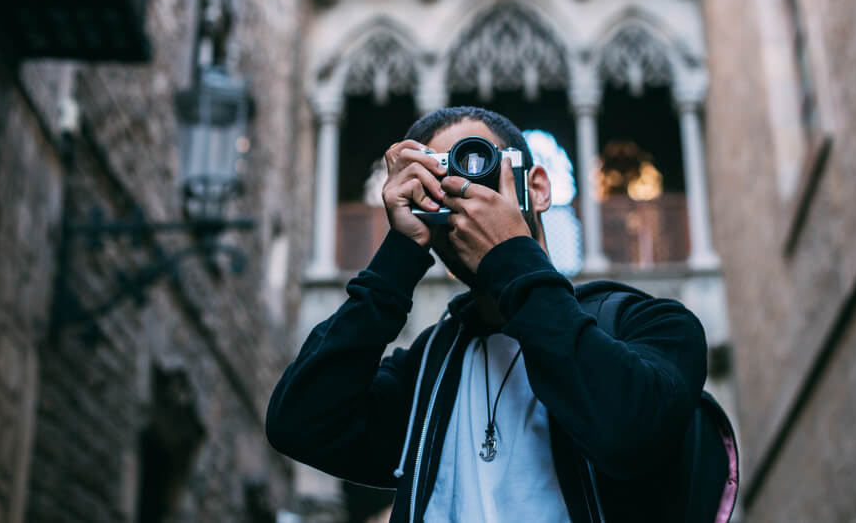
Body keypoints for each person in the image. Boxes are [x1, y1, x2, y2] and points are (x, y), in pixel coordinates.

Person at [266, 106, 710, 522]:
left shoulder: (652, 327)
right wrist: (398, 256)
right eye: (438, 183)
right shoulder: (425, 376)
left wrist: (511, 257)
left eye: (478, 167)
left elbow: (629, 435)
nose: (464, 194)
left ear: (535, 188)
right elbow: (300, 424)